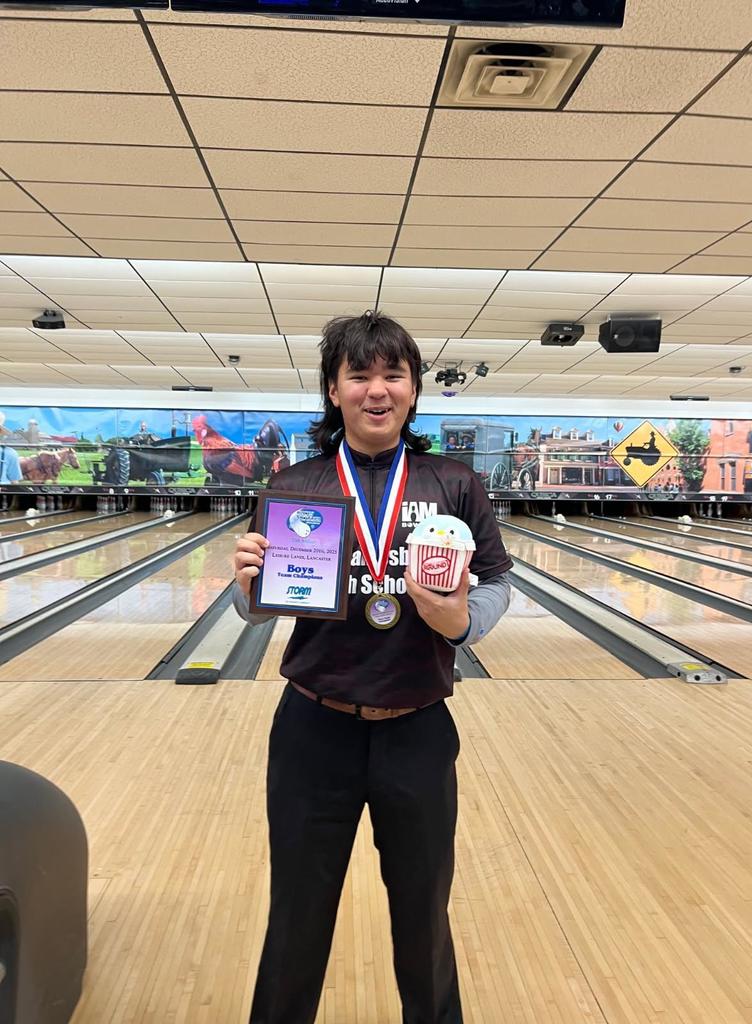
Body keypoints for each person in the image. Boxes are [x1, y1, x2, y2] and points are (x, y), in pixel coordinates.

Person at [233, 312, 512, 1024]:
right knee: (296, 919)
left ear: (414, 389)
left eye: (393, 374)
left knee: (424, 922)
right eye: (360, 375)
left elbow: (498, 584)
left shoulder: (454, 484)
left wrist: (461, 623)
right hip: (312, 731)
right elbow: (261, 609)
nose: (377, 390)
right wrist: (247, 596)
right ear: (334, 389)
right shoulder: (297, 484)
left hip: (416, 731)